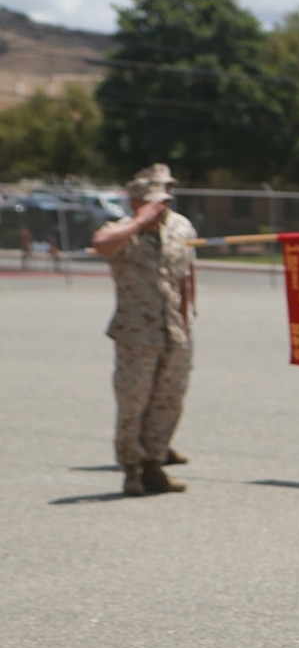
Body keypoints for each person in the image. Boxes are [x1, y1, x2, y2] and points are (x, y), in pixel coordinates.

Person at [91, 163, 196, 497]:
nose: (160, 207)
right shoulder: (123, 231)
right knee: (133, 402)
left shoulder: (179, 229)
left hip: (173, 331)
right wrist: (138, 223)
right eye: (153, 201)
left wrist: (188, 314)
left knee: (168, 401)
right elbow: (101, 244)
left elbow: (184, 276)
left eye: (164, 201)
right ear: (136, 202)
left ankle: (154, 464)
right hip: (136, 334)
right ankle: (132, 469)